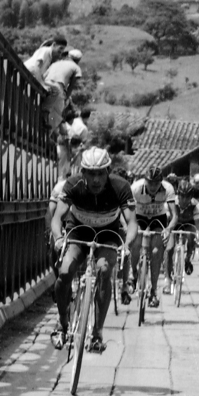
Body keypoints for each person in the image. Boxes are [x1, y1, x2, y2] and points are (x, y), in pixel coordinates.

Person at [48, 148, 138, 353]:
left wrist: (127, 244)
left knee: (105, 270)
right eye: (90, 173)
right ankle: (62, 324)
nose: (96, 179)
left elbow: (132, 222)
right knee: (64, 271)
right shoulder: (73, 184)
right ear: (83, 172)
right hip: (78, 232)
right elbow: (57, 217)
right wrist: (59, 238)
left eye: (100, 173)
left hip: (108, 234)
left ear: (108, 171)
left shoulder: (121, 186)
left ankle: (97, 334)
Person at [125, 172, 177, 308]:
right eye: (150, 183)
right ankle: (133, 273)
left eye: (156, 183)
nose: (153, 186)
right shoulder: (135, 188)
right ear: (145, 181)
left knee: (156, 252)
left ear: (161, 182)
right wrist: (127, 227)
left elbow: (174, 215)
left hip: (158, 219)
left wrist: (168, 229)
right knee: (135, 243)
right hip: (139, 217)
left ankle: (153, 291)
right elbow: (125, 211)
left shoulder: (168, 188)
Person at [44, 50, 84, 168]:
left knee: (49, 110)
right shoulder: (76, 68)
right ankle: (46, 136)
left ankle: (44, 124)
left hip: (44, 85)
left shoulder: (56, 63)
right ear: (78, 60)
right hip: (58, 88)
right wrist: (66, 97)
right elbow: (71, 85)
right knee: (57, 115)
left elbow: (45, 74)